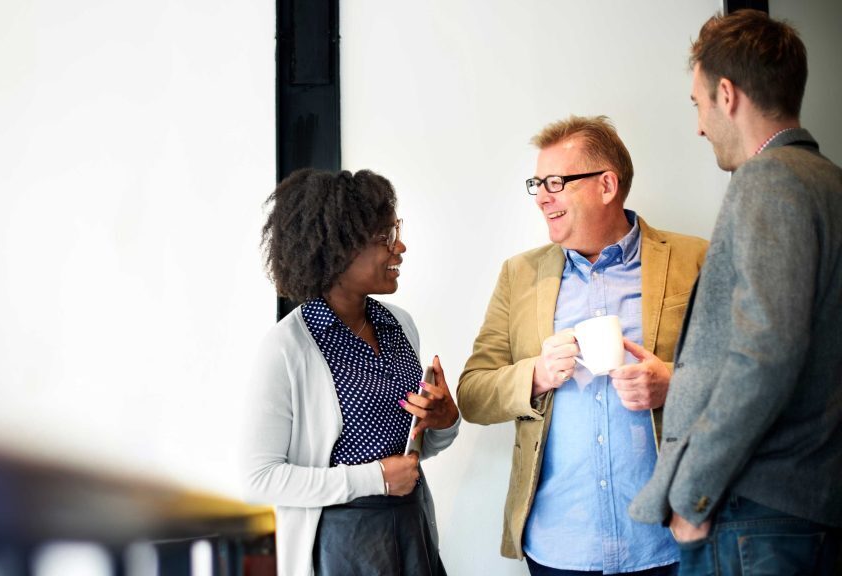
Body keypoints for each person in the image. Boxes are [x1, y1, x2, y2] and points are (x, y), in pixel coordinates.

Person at [629, 10, 842, 575]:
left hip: (755, 517)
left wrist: (695, 494)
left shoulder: (768, 180)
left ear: (727, 94)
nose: (699, 125)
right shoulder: (831, 184)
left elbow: (763, 356)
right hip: (809, 508)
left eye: (697, 104)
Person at [458, 115, 708, 575]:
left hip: (669, 539)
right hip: (559, 545)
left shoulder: (695, 258)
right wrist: (534, 374)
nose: (541, 197)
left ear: (607, 185)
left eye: (555, 181)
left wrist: (674, 382)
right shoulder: (520, 275)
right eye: (537, 183)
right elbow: (473, 394)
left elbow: (746, 374)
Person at [242, 168, 460, 576]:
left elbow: (413, 451)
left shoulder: (399, 326)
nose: (400, 247)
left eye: (395, 231)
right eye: (384, 237)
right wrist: (374, 479)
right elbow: (260, 478)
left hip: (413, 528)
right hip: (344, 542)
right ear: (337, 248)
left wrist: (445, 421)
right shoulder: (288, 347)